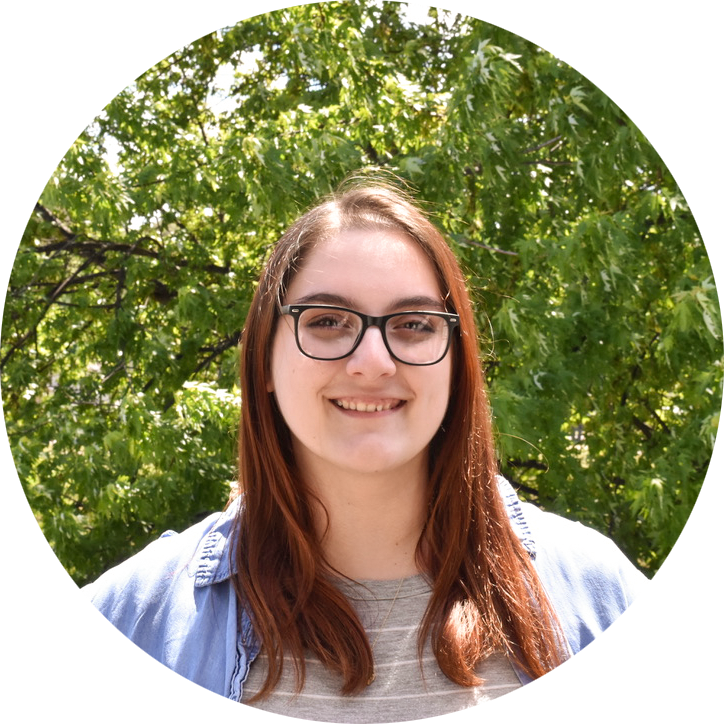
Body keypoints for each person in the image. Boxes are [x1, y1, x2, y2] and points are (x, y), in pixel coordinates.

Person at [10, 183, 723, 724]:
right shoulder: (110, 636)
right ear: (264, 358)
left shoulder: (617, 616)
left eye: (413, 325)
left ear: (457, 360)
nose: (373, 359)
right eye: (327, 321)